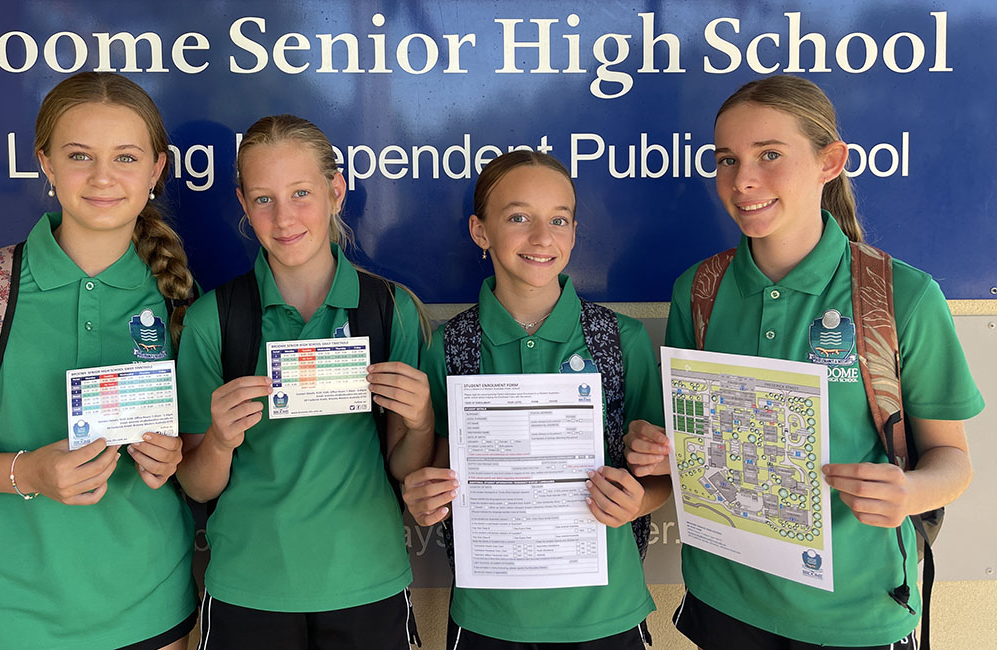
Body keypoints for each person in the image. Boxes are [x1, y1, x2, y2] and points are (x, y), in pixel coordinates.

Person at [624, 75, 984, 649]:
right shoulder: (699, 289)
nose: (742, 180)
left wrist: (910, 493)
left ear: (829, 162)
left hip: (857, 610)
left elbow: (953, 461)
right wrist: (656, 445)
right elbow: (690, 441)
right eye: (726, 159)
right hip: (725, 597)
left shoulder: (902, 297)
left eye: (770, 155)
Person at [0, 71, 198, 650]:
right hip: (4, 611)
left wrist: (173, 456)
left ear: (156, 169)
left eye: (126, 157)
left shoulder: (181, 298)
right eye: (79, 155)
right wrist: (24, 472)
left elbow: (201, 456)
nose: (103, 177)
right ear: (46, 164)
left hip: (150, 607)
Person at [174, 114, 433, 650]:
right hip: (250, 586)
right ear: (243, 204)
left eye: (301, 193)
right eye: (264, 198)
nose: (284, 216)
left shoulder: (392, 311)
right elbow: (197, 485)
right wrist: (220, 441)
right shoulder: (212, 320)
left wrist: (421, 420)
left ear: (336, 191)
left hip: (368, 580)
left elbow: (405, 470)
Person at [403, 150, 670, 650]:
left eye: (559, 220)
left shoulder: (621, 339)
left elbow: (661, 478)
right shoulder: (450, 345)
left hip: (605, 611)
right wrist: (421, 498)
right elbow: (438, 471)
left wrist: (637, 503)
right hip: (488, 614)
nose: (542, 238)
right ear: (480, 232)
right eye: (519, 217)